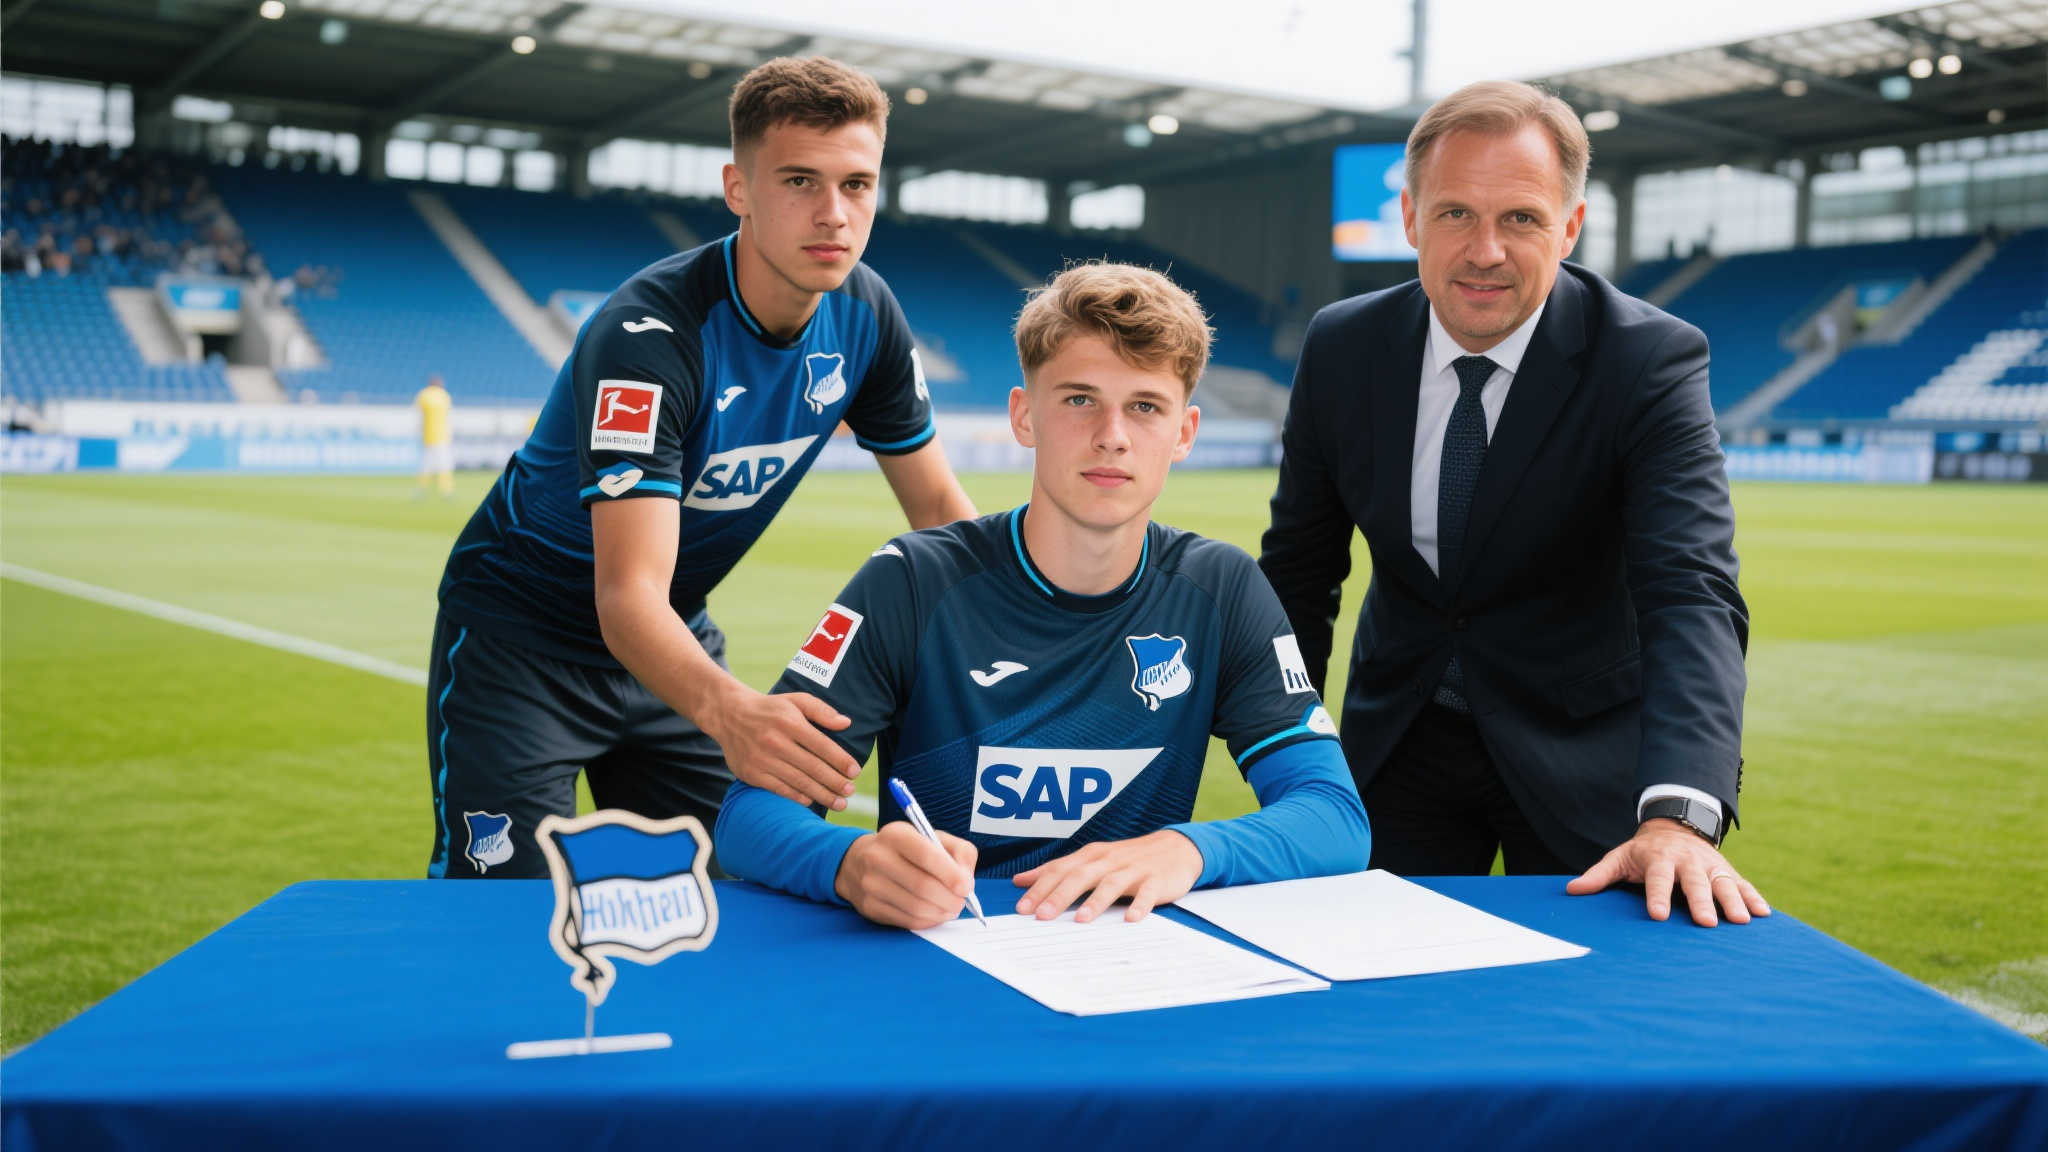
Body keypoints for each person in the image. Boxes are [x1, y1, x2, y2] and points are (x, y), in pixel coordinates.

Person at [426, 56, 975, 879]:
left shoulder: (867, 315)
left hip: (671, 636)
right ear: (738, 188)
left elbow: (939, 512)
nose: (833, 213)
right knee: (503, 913)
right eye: (799, 181)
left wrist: (1031, 636)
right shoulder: (649, 337)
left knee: (738, 886)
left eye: (857, 184)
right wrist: (732, 712)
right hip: (522, 646)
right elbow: (625, 594)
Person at [716, 263, 1370, 929]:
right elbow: (750, 813)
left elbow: (1334, 814)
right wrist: (850, 863)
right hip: (946, 950)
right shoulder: (910, 582)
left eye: (1145, 406)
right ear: (1024, 416)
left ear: (1184, 433)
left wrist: (1191, 849)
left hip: (1130, 959)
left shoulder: (1221, 590)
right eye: (1080, 400)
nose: (1112, 434)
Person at [1258, 81, 1768, 928]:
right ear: (1411, 219)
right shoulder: (1342, 345)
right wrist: (1285, 752)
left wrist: (1681, 813)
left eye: (1522, 219)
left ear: (1569, 228)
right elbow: (1300, 574)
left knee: (1592, 1004)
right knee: (1371, 985)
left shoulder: (1648, 360)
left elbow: (1690, 589)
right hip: (1396, 740)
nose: (1485, 250)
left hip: (1583, 753)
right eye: (1455, 213)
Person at [414, 374, 454, 499]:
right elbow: (448, 415)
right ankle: (446, 490)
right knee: (444, 465)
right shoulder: (444, 396)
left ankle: (421, 490)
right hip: (442, 436)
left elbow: (417, 414)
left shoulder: (423, 395)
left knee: (426, 465)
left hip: (428, 436)